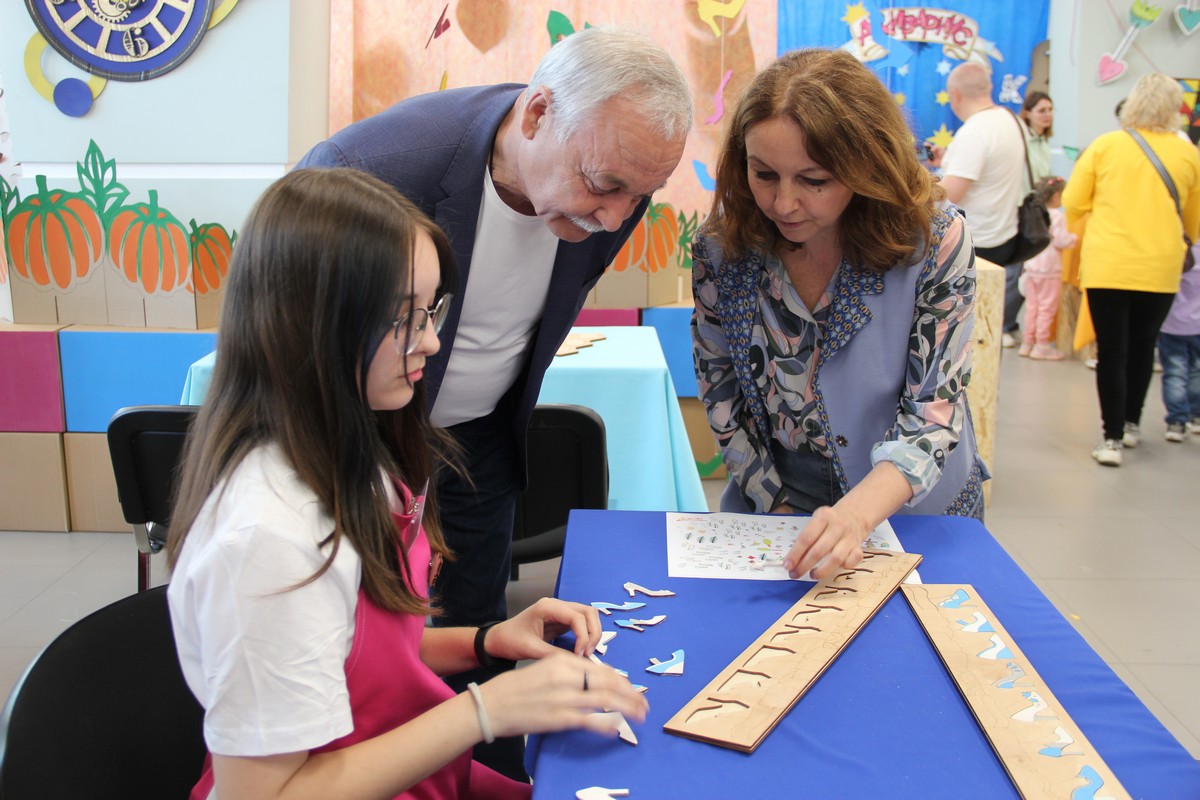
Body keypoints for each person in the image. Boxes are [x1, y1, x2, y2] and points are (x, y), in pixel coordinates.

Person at [165, 168, 648, 800]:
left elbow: (362, 657)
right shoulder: (268, 541)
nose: (432, 340)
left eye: (432, 310)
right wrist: (485, 711)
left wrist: (486, 641)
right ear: (312, 325)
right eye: (405, 318)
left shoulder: (357, 455)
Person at [298, 28, 689, 777]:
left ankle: (463, 777)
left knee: (471, 629)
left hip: (480, 440)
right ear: (537, 114)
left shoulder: (614, 181)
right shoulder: (372, 172)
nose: (615, 219)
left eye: (638, 197)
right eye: (604, 186)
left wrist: (485, 669)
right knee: (352, 657)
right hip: (358, 446)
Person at [691, 49, 987, 584]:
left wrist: (855, 516)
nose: (784, 203)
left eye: (814, 180)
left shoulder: (934, 240)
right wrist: (776, 507)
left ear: (865, 164)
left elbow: (932, 411)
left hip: (911, 504)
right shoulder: (722, 248)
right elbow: (721, 391)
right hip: (776, 496)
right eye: (764, 174)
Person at [1062, 72, 1200, 467]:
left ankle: (1111, 439)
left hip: (1109, 263)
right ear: (1175, 108)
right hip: (1161, 266)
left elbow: (1073, 202)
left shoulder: (1105, 146)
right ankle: (1132, 424)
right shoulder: (1188, 154)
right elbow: (1193, 220)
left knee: (1112, 351)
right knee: (1143, 347)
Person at [939, 62, 1026, 349]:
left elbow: (948, 195)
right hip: (1002, 238)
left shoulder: (975, 132)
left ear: (955, 94)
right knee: (988, 336)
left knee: (966, 342)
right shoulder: (1010, 121)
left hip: (973, 246)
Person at [1018, 176, 1076, 360]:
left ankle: (1027, 343)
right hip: (1050, 269)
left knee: (1032, 307)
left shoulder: (1035, 213)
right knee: (1046, 308)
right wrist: (1073, 239)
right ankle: (1042, 345)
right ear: (1057, 196)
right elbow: (1061, 240)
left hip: (1032, 265)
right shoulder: (1057, 216)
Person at [1158, 252, 1200, 441]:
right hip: (1196, 325)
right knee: (1196, 371)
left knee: (1175, 373)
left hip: (1171, 324)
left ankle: (1176, 421)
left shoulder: (1174, 249)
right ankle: (1196, 415)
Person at [1019, 91, 1054, 185]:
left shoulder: (1044, 146)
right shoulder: (1021, 142)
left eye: (1050, 109)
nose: (1048, 114)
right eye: (1042, 111)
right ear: (1027, 114)